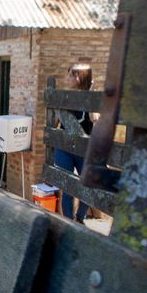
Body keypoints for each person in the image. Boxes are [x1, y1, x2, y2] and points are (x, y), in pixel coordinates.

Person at [54, 63, 94, 223]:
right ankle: (68, 222)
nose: (67, 78)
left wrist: (90, 97)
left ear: (78, 77)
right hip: (64, 147)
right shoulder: (65, 97)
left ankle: (79, 218)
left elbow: (95, 119)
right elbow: (56, 121)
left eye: (70, 75)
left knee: (89, 186)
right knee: (68, 187)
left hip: (83, 149)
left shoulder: (92, 99)